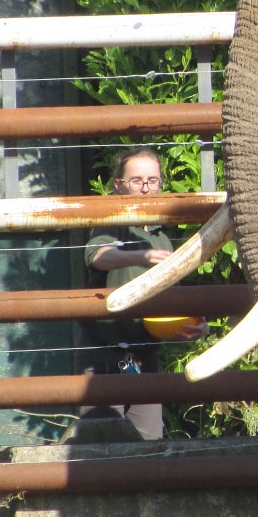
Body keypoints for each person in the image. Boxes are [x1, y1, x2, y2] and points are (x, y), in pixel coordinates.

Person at [74, 146, 208, 440]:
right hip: (103, 352)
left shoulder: (161, 234)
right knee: (100, 440)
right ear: (119, 185)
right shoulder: (112, 220)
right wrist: (140, 257)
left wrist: (188, 325)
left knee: (149, 443)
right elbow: (97, 256)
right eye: (137, 181)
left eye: (152, 180)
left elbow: (170, 299)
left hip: (145, 355)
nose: (146, 188)